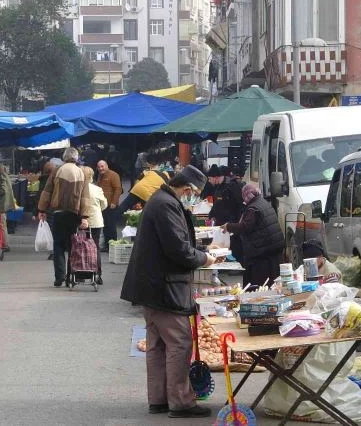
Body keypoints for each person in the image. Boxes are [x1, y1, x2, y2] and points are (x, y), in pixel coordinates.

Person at [120, 165, 216, 419]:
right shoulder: (166, 204)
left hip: (152, 287)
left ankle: (160, 399)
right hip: (163, 287)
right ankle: (181, 401)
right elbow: (178, 250)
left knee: (158, 345)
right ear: (186, 188)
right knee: (179, 343)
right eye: (192, 193)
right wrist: (205, 258)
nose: (191, 197)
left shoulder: (161, 200)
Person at [38, 147, 91, 287]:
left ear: (64, 157)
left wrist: (41, 209)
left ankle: (59, 277)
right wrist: (84, 216)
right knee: (73, 245)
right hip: (74, 213)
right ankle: (70, 277)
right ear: (76, 157)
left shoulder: (57, 170)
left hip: (58, 213)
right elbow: (85, 197)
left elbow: (47, 191)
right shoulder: (81, 172)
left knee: (58, 245)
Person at [222, 184, 285, 287]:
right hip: (272, 247)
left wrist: (228, 226)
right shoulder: (263, 202)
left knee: (258, 282)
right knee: (271, 280)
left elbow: (245, 226)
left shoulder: (253, 208)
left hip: (262, 250)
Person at [207, 165, 245, 262]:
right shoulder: (218, 187)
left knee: (235, 245)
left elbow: (239, 205)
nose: (209, 181)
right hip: (221, 223)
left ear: (215, 177)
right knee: (225, 245)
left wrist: (235, 223)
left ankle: (238, 263)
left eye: (210, 178)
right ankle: (225, 260)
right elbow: (217, 203)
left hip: (232, 223)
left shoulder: (232, 186)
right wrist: (211, 215)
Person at [82, 166, 107, 284]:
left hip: (82, 222)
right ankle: (98, 274)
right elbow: (104, 204)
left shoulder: (79, 188)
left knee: (82, 247)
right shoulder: (97, 189)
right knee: (95, 247)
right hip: (96, 221)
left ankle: (82, 273)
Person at [97, 160, 122, 251]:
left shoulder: (113, 175)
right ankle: (107, 246)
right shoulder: (100, 176)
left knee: (111, 226)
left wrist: (114, 202)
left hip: (111, 205)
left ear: (107, 166)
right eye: (99, 167)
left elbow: (118, 189)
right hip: (103, 205)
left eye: (102, 166)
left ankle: (113, 246)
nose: (100, 168)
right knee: (105, 226)